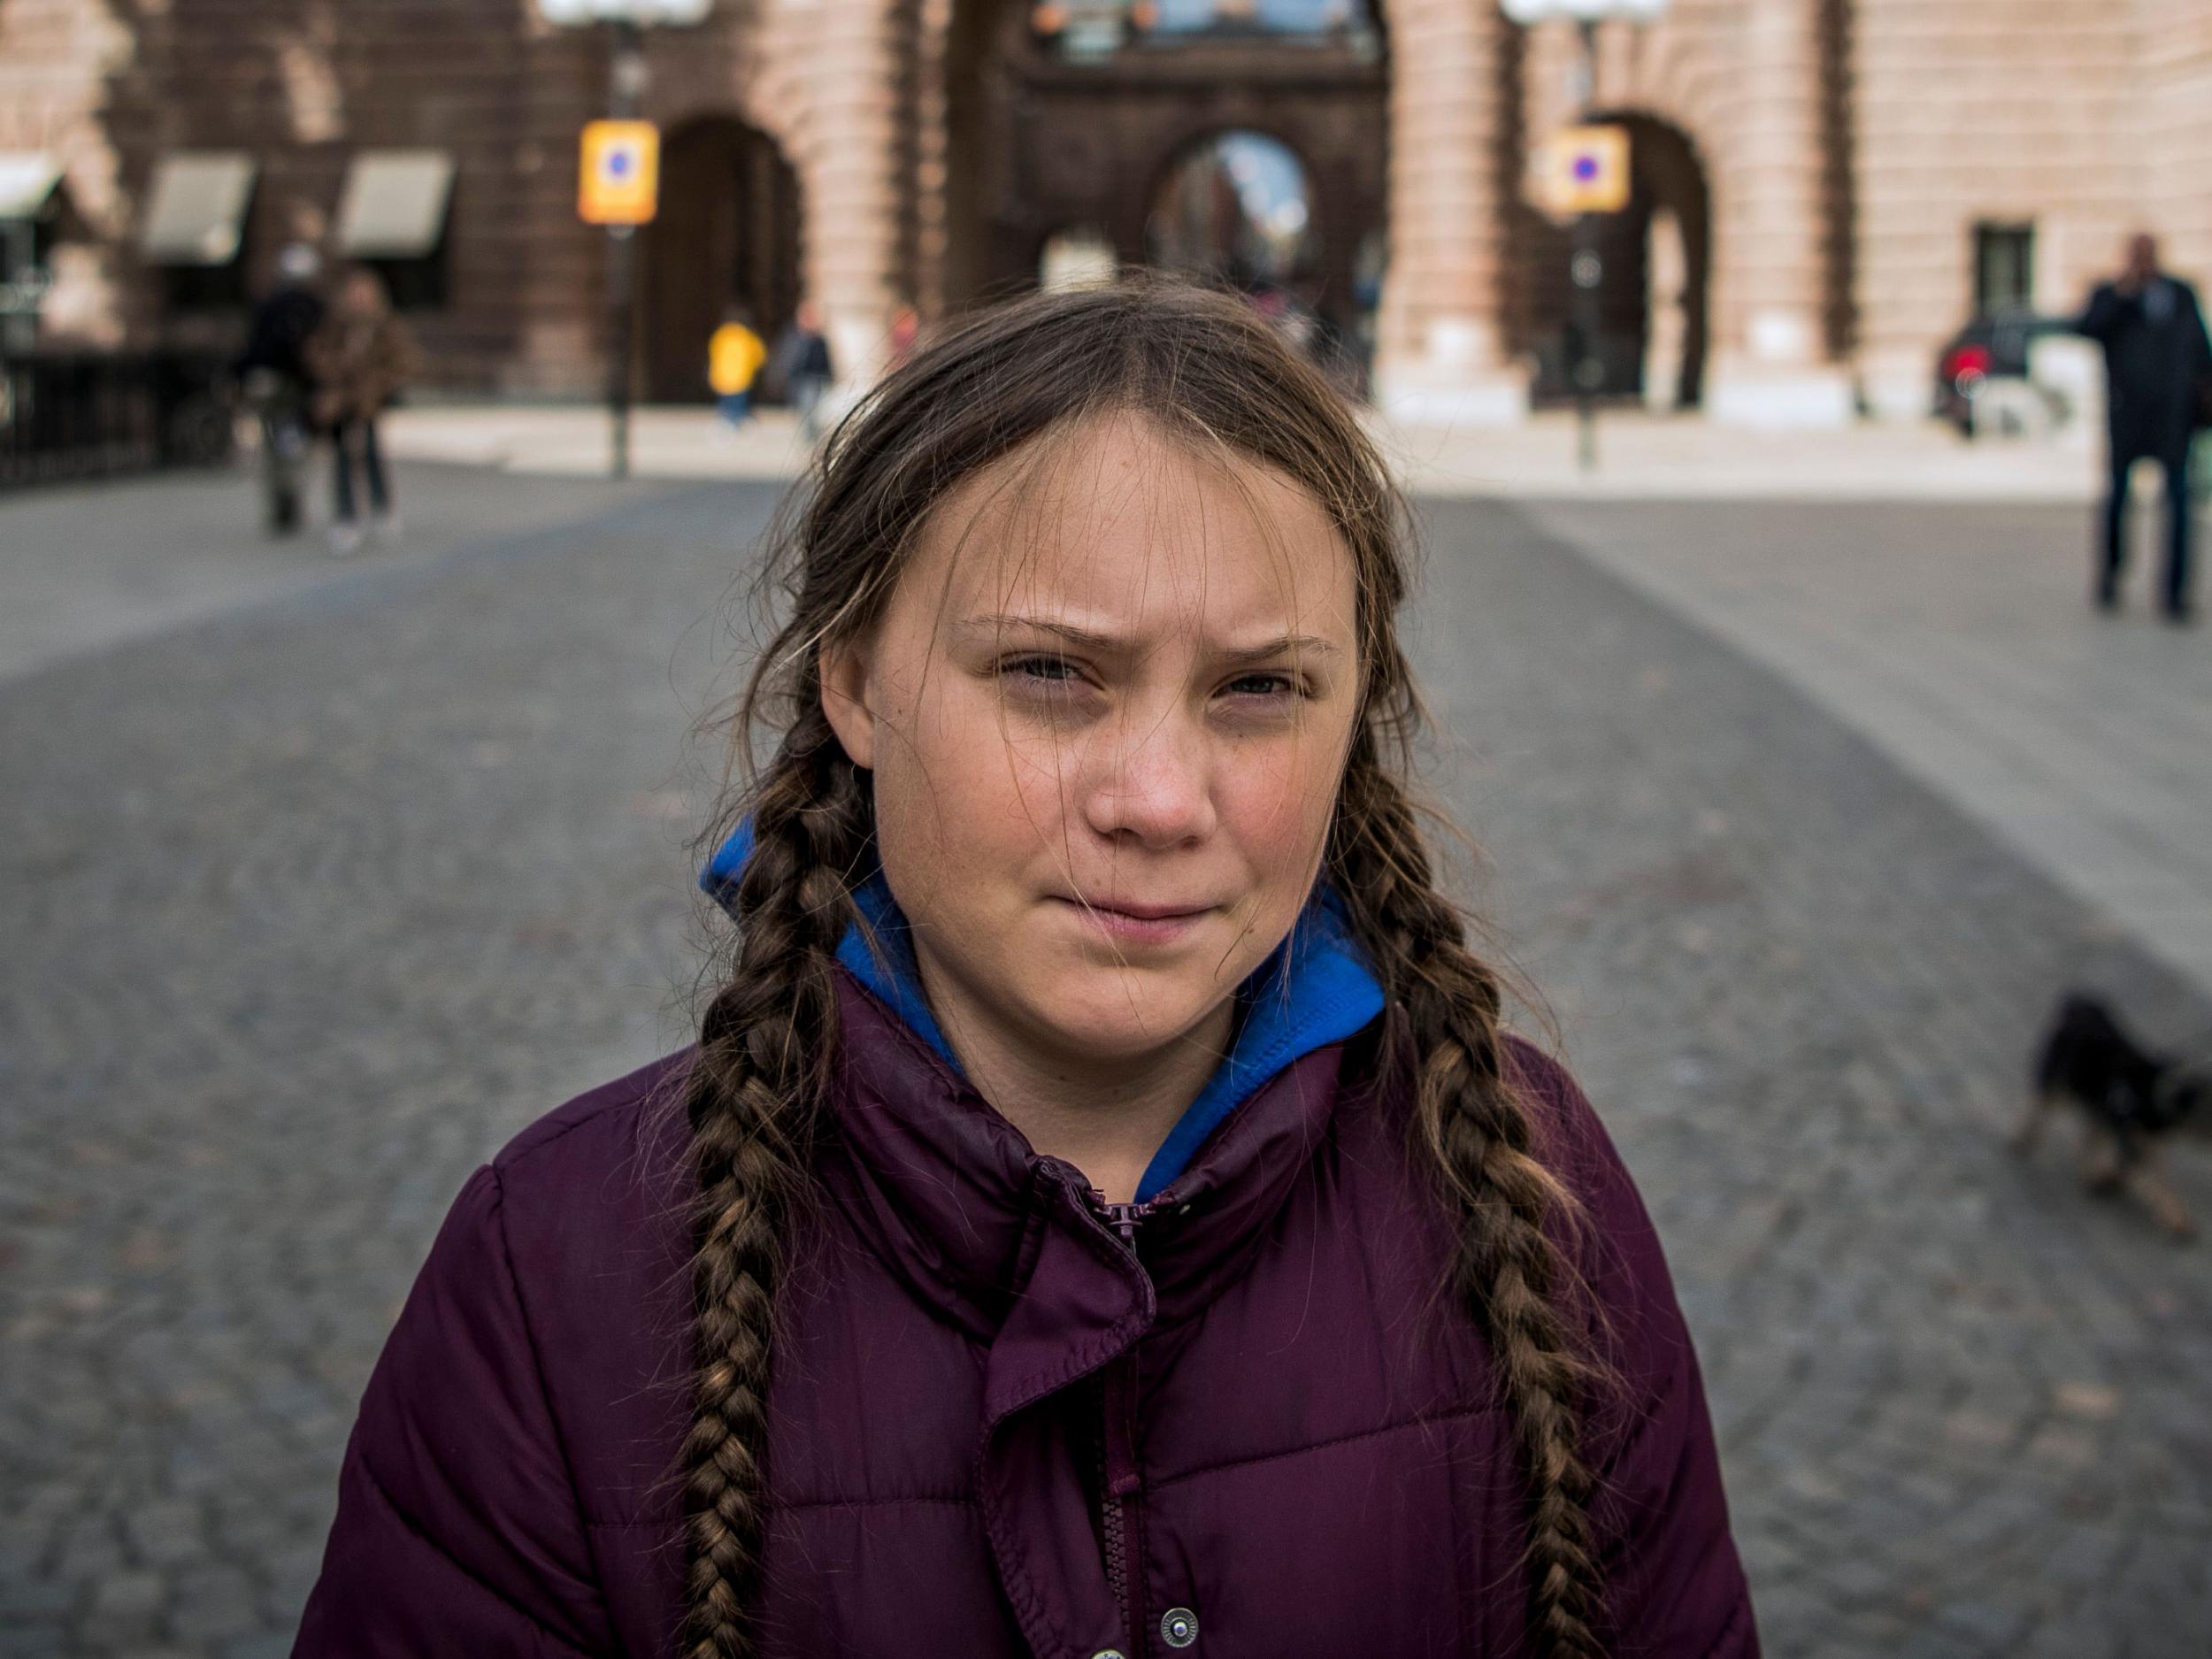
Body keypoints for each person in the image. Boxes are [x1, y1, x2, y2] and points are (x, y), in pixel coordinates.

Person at [294, 282, 1757, 1658]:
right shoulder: (556, 1277)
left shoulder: (1534, 1190)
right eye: (1054, 674)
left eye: (1258, 689)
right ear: (859, 681)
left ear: (1355, 710)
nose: (1159, 799)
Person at [2077, 233, 2212, 621]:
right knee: (2118, 498)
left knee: (2181, 503)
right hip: (2128, 416)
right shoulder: (2112, 294)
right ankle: (2111, 575)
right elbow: (2087, 328)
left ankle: (2175, 591)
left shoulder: (2181, 294)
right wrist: (2123, 293)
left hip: (2173, 416)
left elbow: (2201, 351)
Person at [305, 267, 413, 557]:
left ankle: (382, 508)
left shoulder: (384, 325)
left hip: (369, 401)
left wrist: (379, 385)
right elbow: (317, 353)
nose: (359, 299)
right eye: (355, 293)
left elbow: (401, 361)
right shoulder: (336, 325)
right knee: (341, 457)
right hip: (341, 400)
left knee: (369, 452)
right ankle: (346, 516)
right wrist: (335, 370)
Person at [234, 242, 326, 535]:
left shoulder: (275, 305)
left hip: (281, 384)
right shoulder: (311, 307)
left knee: (277, 444)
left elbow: (252, 347)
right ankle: (290, 499)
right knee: (294, 444)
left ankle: (283, 502)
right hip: (296, 386)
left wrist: (242, 376)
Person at [768, 301, 835, 440]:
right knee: (805, 406)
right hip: (800, 377)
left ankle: (810, 434)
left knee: (813, 407)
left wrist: (829, 375)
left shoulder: (819, 339)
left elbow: (825, 358)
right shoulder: (794, 336)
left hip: (816, 377)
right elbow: (787, 355)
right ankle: (808, 435)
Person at [709, 306, 767, 428]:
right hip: (741, 377)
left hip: (722, 376)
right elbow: (759, 355)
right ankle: (736, 423)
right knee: (738, 403)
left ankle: (727, 423)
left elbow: (713, 353)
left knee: (726, 403)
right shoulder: (747, 336)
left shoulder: (721, 335)